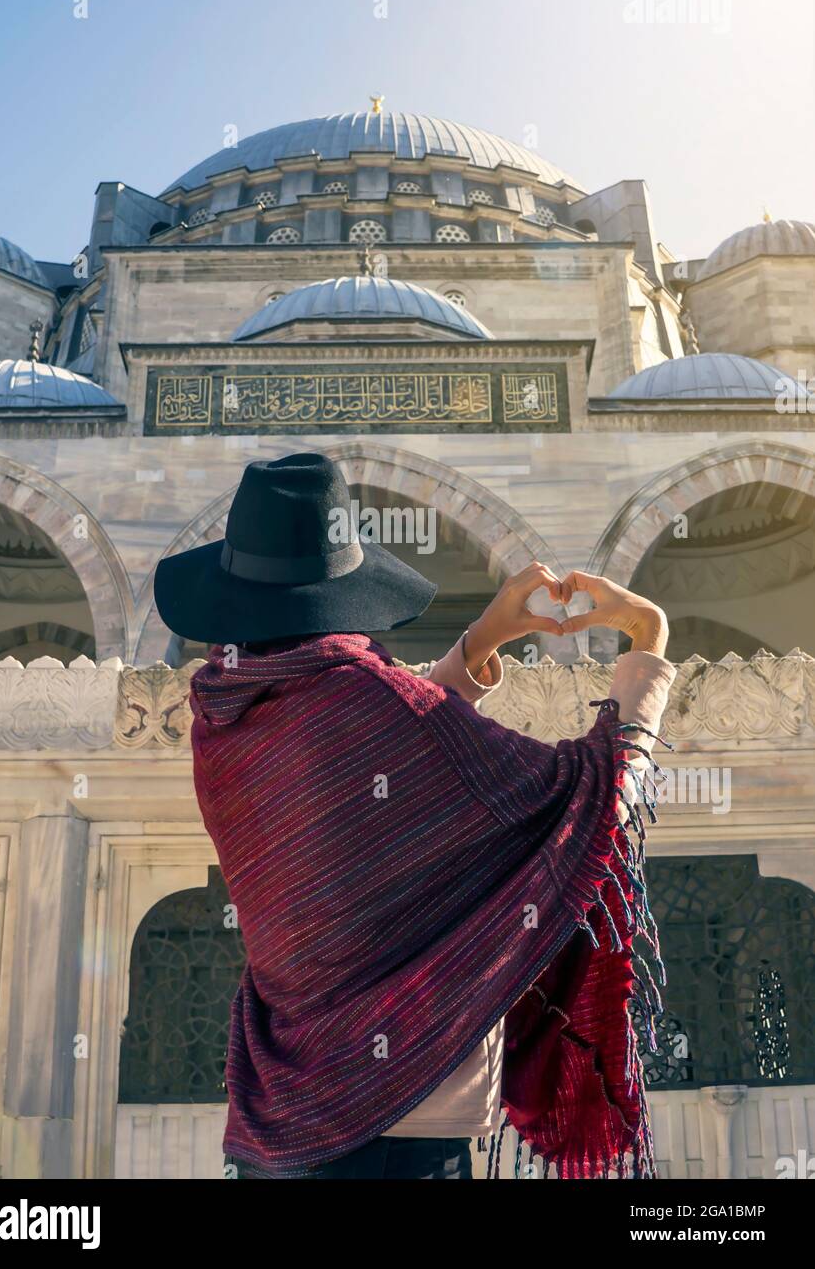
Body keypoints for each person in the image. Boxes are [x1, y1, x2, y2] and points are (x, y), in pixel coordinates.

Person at [154, 452, 676, 1180]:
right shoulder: (371, 703)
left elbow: (390, 763)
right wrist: (648, 641)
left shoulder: (225, 718)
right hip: (401, 1129)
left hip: (277, 1131)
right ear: (345, 586)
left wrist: (479, 647)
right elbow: (589, 796)